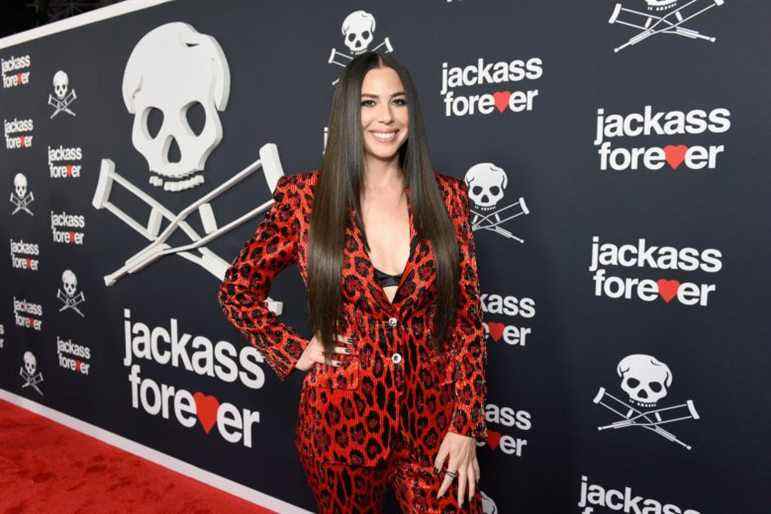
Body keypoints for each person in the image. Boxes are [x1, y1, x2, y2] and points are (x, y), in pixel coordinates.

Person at [217, 51, 487, 513]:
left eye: (398, 102)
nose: (386, 116)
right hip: (338, 427)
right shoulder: (303, 198)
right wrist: (292, 349)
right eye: (369, 103)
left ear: (411, 113)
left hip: (435, 427)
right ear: (346, 113)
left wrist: (465, 425)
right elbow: (237, 289)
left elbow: (466, 320)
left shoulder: (450, 197)